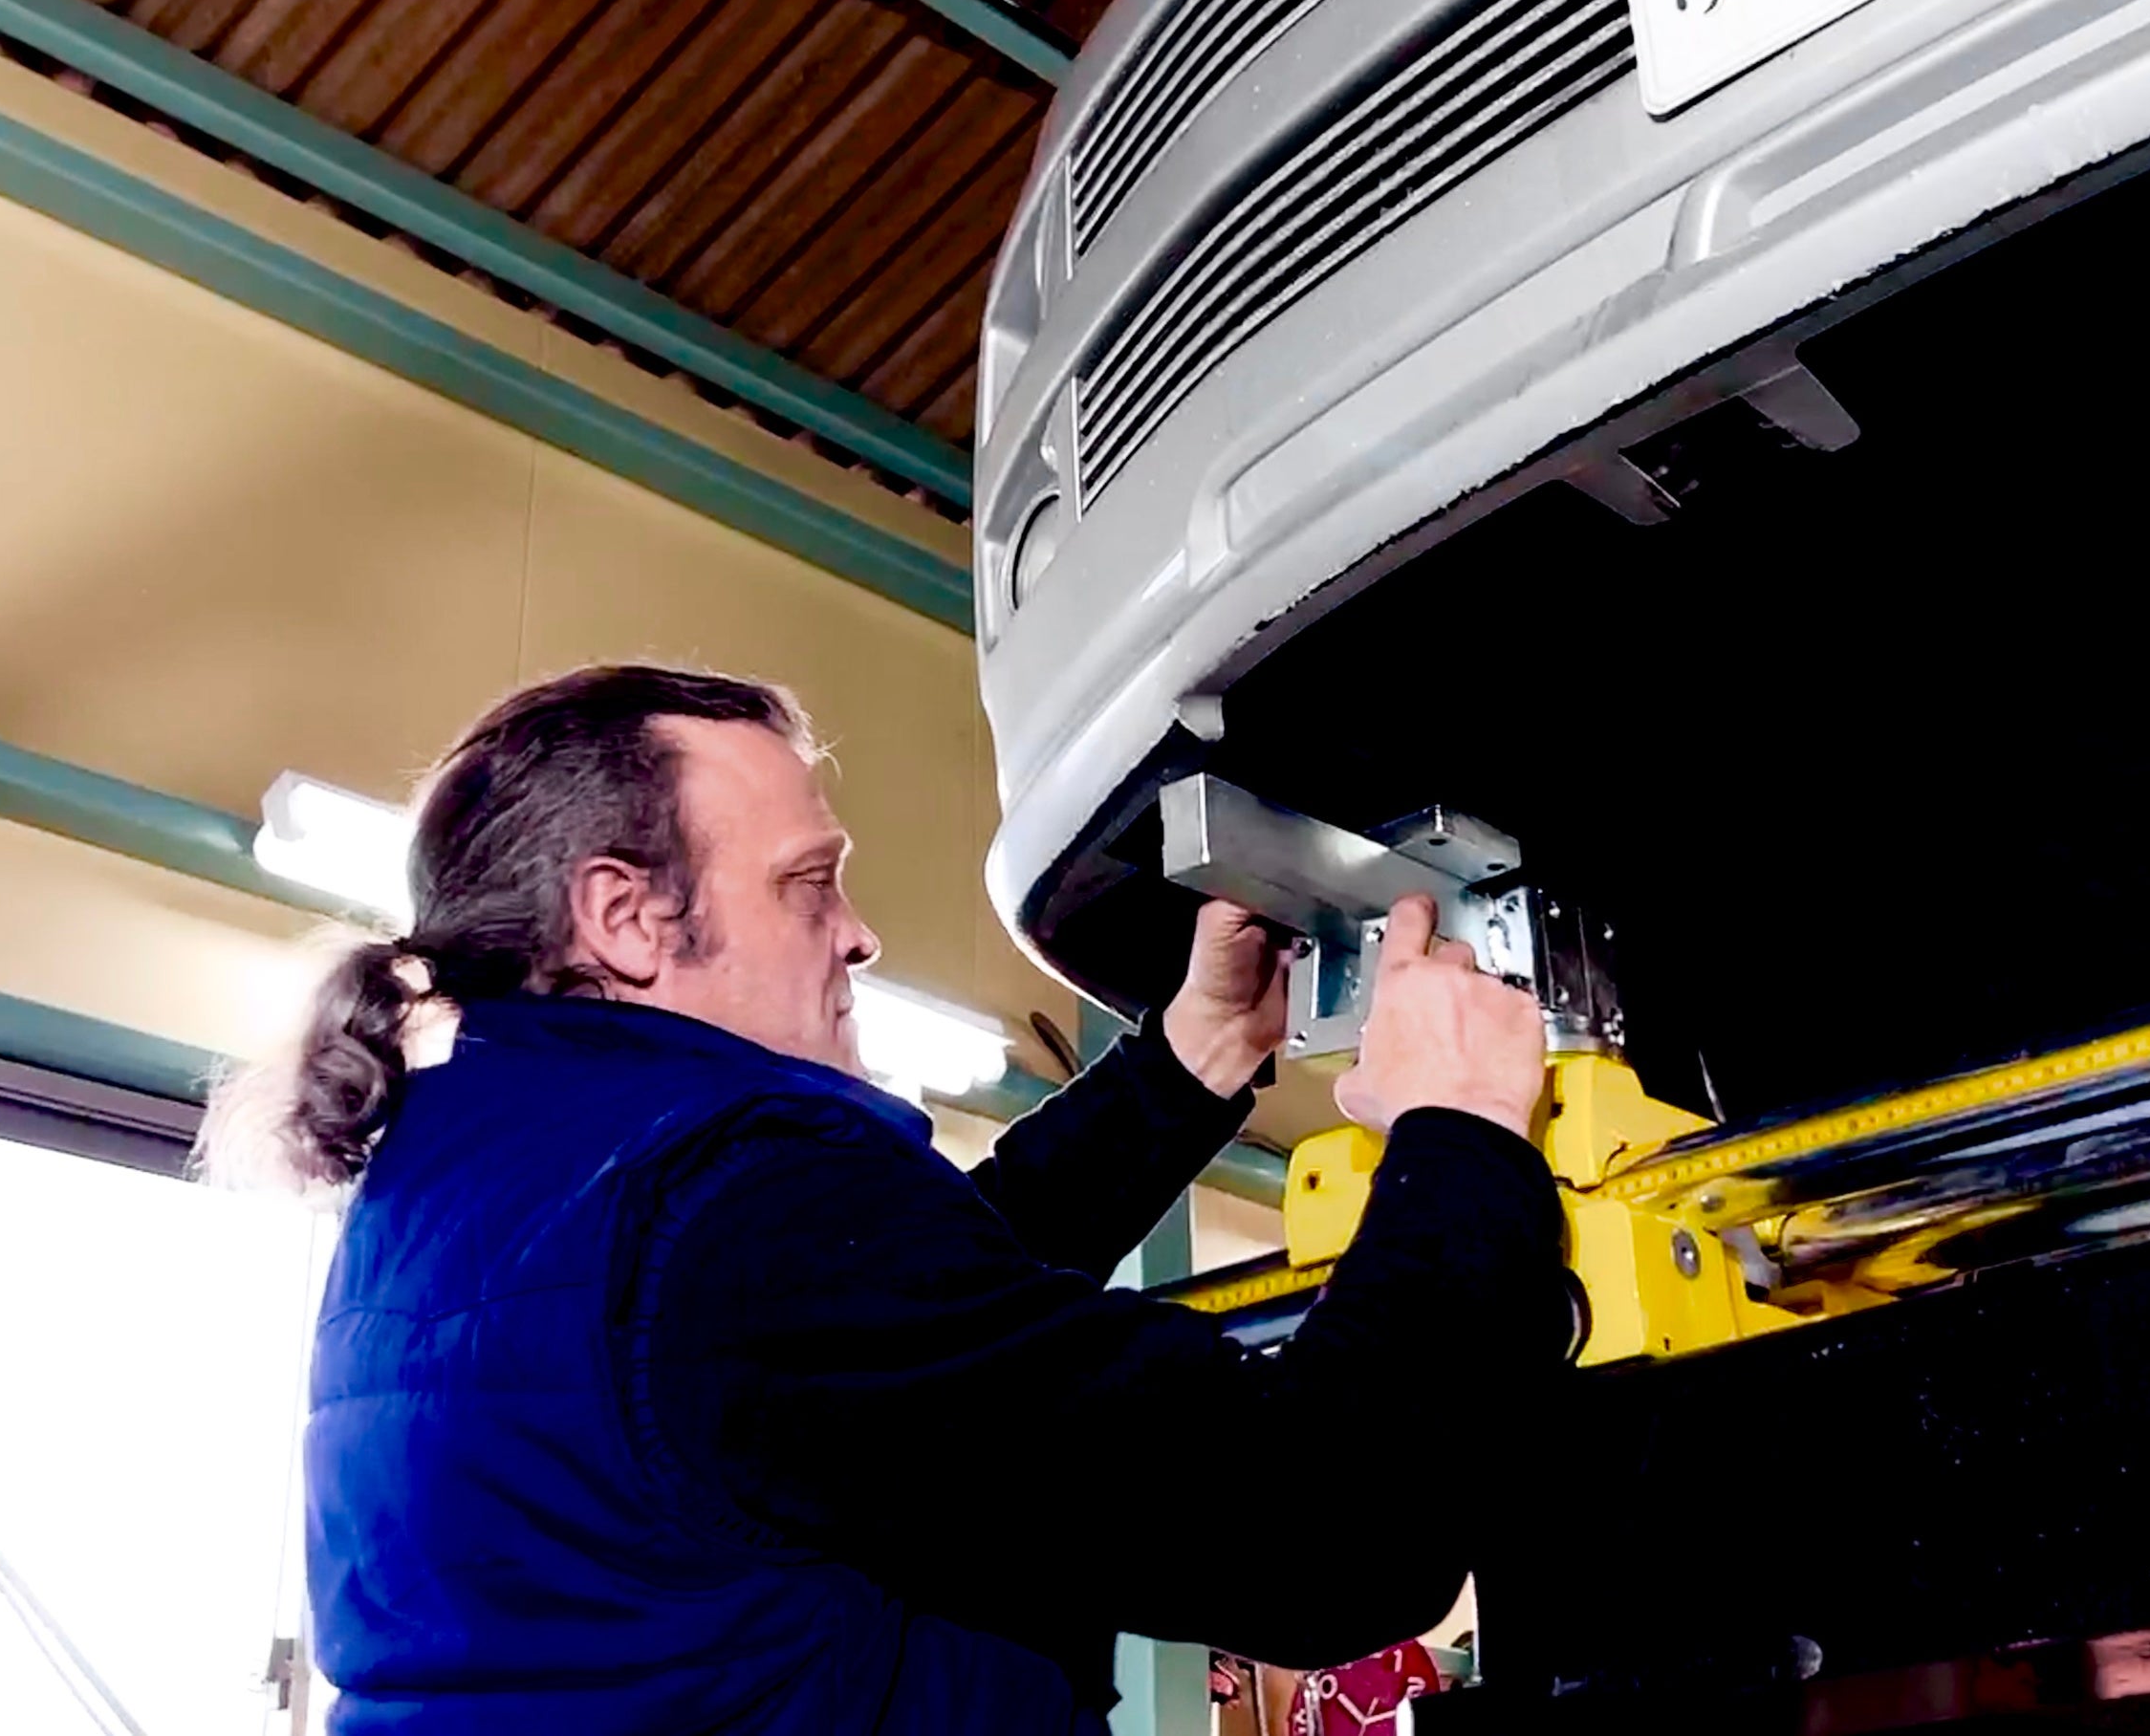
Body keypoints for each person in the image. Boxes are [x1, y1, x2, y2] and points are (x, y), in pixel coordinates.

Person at [214, 665, 1569, 1734]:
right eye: (810, 883)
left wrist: (1189, 1059)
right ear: (627, 917)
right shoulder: (723, 1214)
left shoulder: (482, 1190)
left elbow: (908, 1337)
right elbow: (1328, 1526)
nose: (858, 931)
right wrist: (1457, 1135)